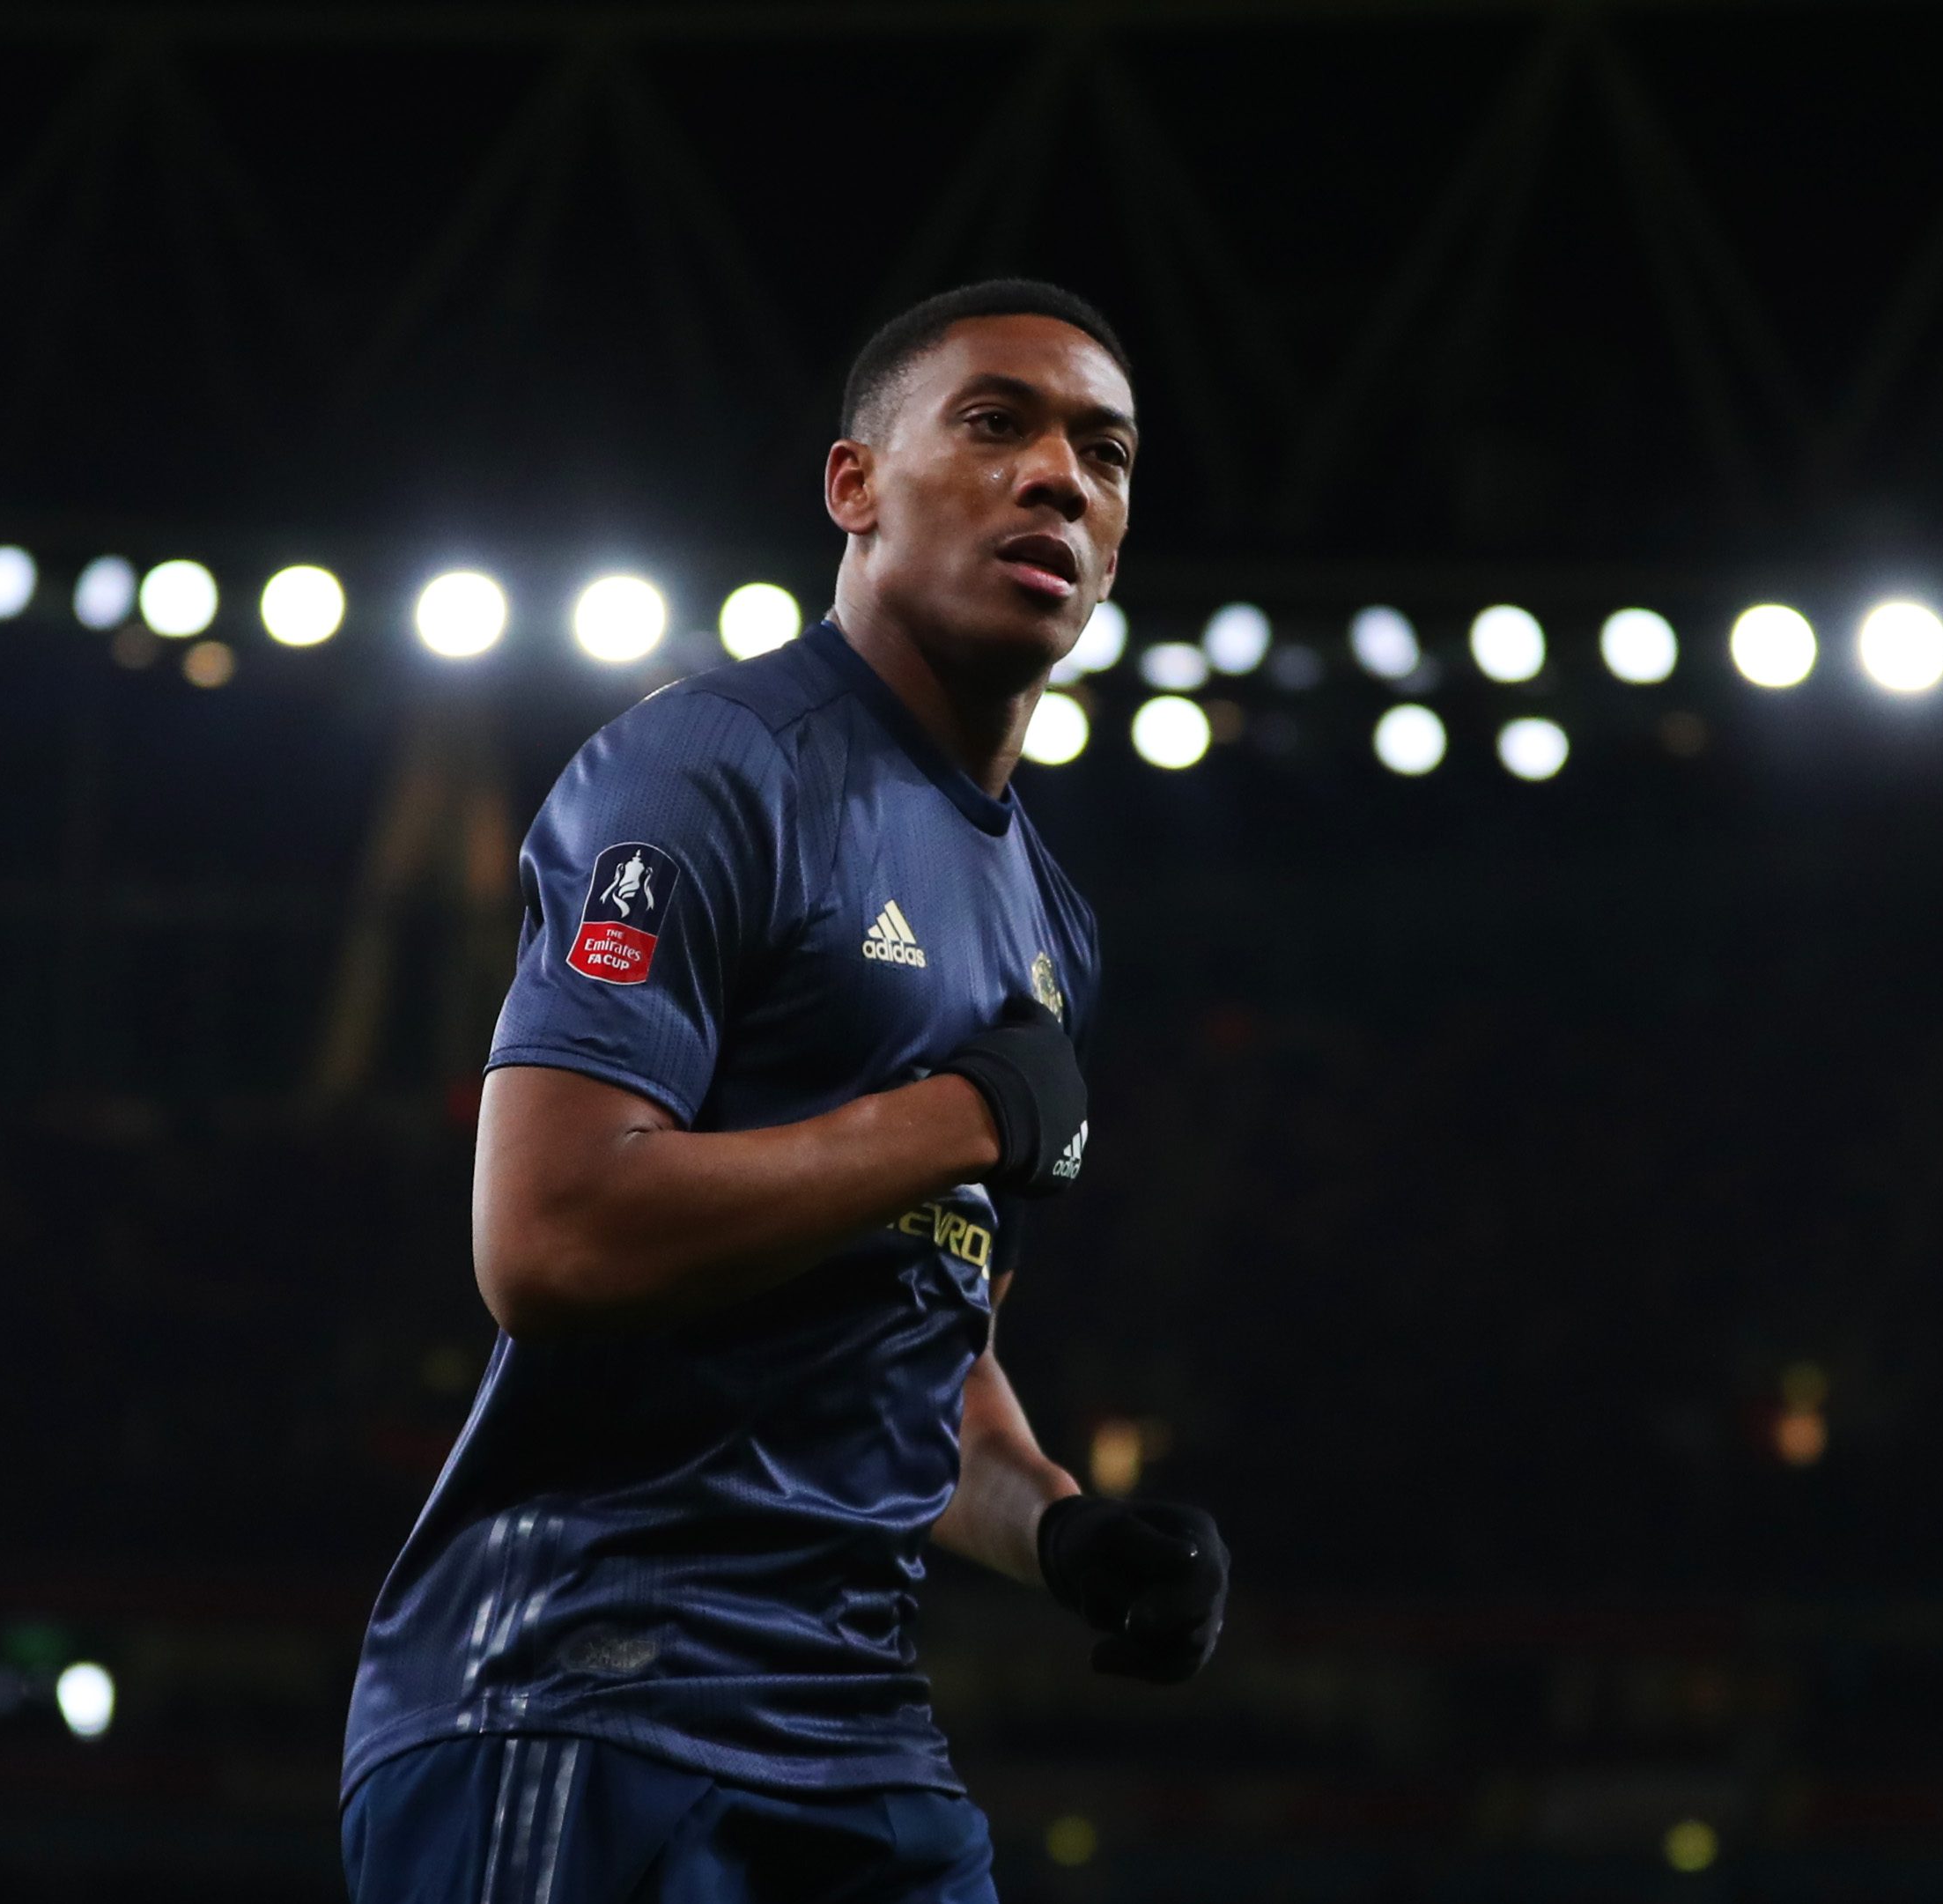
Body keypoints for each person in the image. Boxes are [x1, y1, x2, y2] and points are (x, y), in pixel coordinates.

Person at [341, 280, 1230, 1902]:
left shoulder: (1052, 923)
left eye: (1103, 455)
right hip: (580, 1696)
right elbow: (545, 1237)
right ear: (853, 486)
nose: (1058, 479)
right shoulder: (715, 767)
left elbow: (929, 1344)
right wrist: (959, 1116)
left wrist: (1059, 1529)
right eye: (996, 424)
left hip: (860, 1733)